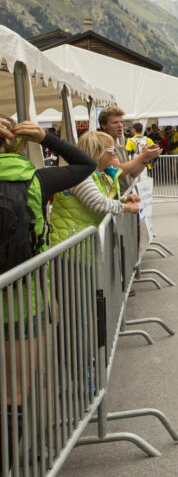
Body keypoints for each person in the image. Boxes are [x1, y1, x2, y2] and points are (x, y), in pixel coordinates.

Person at [1, 118, 96, 412]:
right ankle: (23, 458)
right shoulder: (38, 180)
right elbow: (86, 165)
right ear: (19, 143)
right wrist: (46, 138)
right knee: (17, 393)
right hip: (25, 300)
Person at [49, 130, 141, 246]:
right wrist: (126, 207)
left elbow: (97, 199)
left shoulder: (98, 174)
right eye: (111, 150)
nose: (114, 154)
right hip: (72, 248)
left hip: (81, 244)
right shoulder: (80, 175)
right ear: (97, 152)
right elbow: (98, 203)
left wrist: (124, 200)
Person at [98, 106, 161, 190]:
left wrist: (145, 159)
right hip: (112, 199)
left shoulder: (121, 147)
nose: (120, 125)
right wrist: (142, 156)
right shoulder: (103, 146)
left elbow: (132, 174)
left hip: (125, 196)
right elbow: (120, 171)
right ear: (103, 125)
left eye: (121, 122)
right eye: (115, 123)